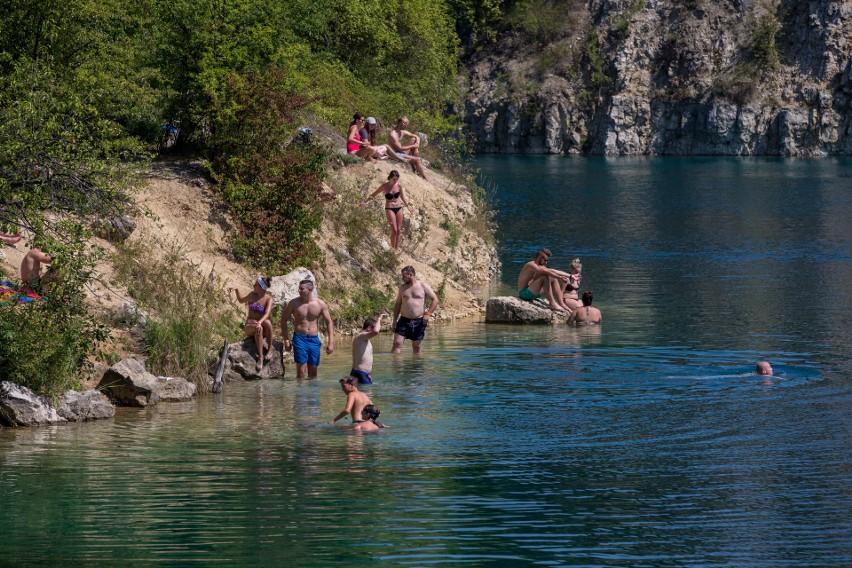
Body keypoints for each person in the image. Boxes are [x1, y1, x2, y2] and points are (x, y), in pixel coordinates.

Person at [281, 279, 335, 378]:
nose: (299, 291)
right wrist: (286, 340)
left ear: (310, 289)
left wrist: (331, 343)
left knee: (313, 373)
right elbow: (283, 320)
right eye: (299, 289)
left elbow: (329, 322)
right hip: (299, 339)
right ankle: (301, 393)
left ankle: (312, 393)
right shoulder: (294, 303)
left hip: (314, 340)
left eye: (302, 289)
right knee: (301, 373)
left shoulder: (320, 304)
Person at [228, 276, 274, 371]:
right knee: (259, 328)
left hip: (260, 324)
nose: (253, 286)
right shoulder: (252, 295)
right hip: (250, 325)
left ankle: (270, 349)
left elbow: (267, 313)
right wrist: (236, 290)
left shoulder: (268, 299)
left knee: (268, 322)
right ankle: (260, 357)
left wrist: (260, 322)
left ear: (261, 287)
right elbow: (241, 300)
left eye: (255, 284)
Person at [360, 170, 413, 250]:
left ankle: (396, 249)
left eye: (397, 179)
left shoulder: (399, 185)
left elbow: (402, 197)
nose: (395, 181)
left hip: (399, 208)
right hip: (389, 208)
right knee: (394, 230)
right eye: (394, 179)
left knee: (399, 230)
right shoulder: (384, 187)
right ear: (390, 178)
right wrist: (364, 202)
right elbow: (373, 195)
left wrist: (408, 206)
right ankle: (392, 249)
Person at [392, 266, 438, 354]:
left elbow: (435, 300)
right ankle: (396, 366)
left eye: (404, 276)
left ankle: (416, 367)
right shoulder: (402, 288)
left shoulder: (423, 286)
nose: (402, 278)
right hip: (404, 320)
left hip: (419, 321)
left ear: (411, 274)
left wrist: (428, 314)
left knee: (416, 347)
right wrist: (394, 320)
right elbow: (398, 303)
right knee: (396, 343)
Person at [387, 116, 429, 181]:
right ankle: (426, 178)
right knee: (417, 160)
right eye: (404, 123)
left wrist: (417, 143)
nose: (405, 125)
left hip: (401, 152)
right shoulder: (393, 134)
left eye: (406, 124)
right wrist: (413, 146)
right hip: (395, 154)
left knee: (413, 139)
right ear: (399, 122)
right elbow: (400, 148)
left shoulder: (402, 132)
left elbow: (416, 136)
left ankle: (415, 164)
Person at [350, 315, 384, 384]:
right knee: (367, 394)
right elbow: (376, 331)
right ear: (369, 328)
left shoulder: (363, 339)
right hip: (360, 374)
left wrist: (368, 375)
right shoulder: (361, 336)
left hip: (361, 373)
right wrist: (379, 319)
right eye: (373, 328)